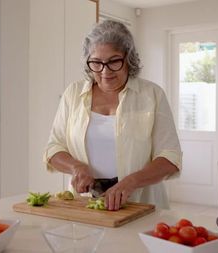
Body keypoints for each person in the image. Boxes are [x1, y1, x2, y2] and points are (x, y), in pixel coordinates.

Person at [44, 20, 182, 210]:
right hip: (84, 204)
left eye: (114, 61)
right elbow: (54, 148)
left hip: (141, 203)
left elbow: (170, 157)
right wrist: (77, 167)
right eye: (97, 63)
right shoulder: (73, 93)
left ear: (129, 59)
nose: (105, 71)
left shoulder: (152, 94)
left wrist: (132, 181)